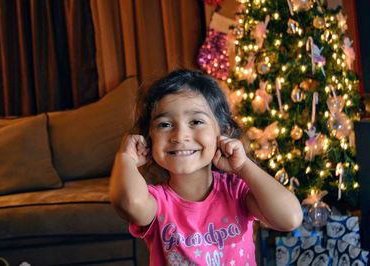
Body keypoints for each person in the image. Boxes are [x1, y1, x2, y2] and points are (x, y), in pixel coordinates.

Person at [109, 69, 303, 265]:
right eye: (165, 125)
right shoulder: (157, 202)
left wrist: (243, 166)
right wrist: (126, 157)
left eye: (196, 121)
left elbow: (290, 218)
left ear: (223, 130)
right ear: (149, 138)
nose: (180, 135)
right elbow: (129, 202)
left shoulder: (236, 192)